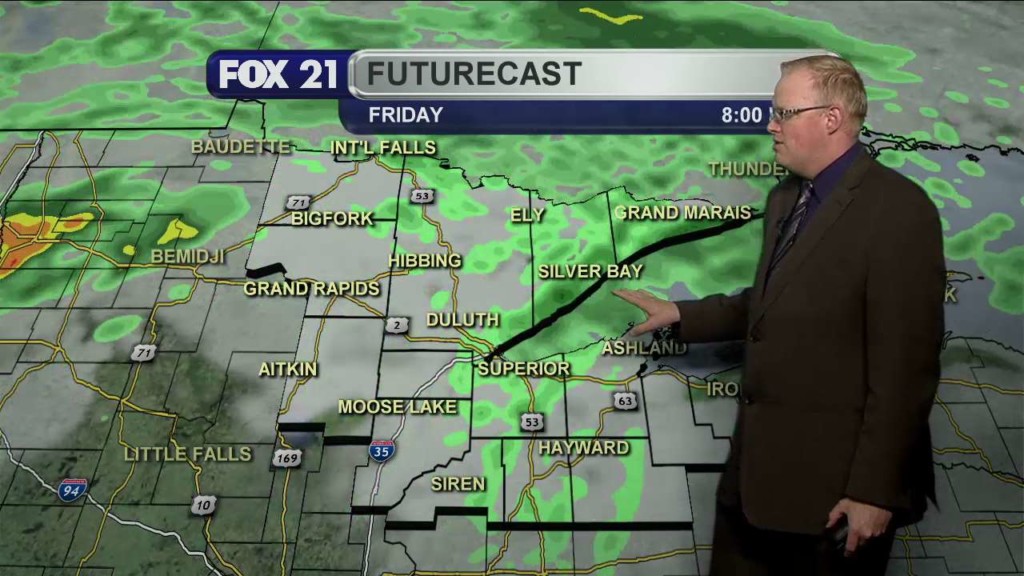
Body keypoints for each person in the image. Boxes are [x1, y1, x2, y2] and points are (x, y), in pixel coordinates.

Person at [614, 55, 945, 575]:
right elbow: (776, 302)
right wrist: (680, 313)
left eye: (783, 113)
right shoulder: (787, 198)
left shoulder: (899, 211)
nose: (771, 125)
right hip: (754, 488)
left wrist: (874, 492)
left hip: (834, 501)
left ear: (831, 119)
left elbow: (907, 371)